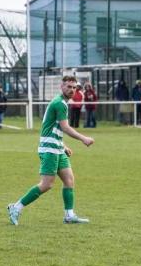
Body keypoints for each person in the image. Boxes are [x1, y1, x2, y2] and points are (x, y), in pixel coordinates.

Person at [7, 75, 94, 225]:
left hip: (57, 147)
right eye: (69, 87)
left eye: (74, 87)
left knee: (69, 180)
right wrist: (83, 139)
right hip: (49, 149)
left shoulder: (61, 102)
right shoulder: (60, 103)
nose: (72, 90)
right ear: (62, 87)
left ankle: (69, 215)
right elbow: (65, 127)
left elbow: (52, 127)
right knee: (46, 184)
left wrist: (63, 145)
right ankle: (16, 207)